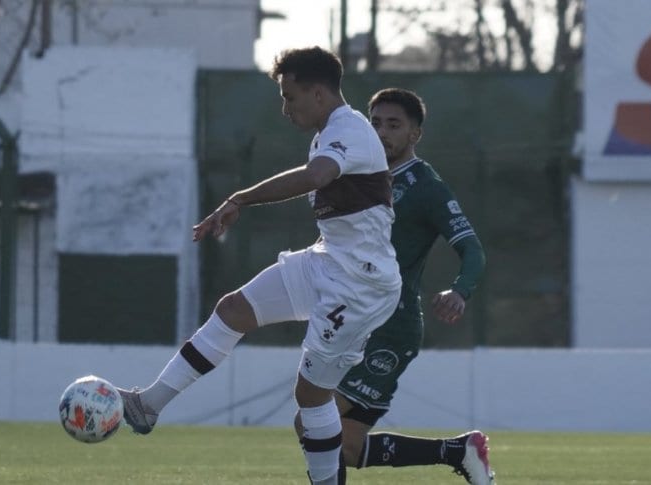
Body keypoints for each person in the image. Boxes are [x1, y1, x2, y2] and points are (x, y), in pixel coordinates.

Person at [118, 46, 402, 485]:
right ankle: (147, 405)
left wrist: (240, 198)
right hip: (329, 262)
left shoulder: (351, 131)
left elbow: (315, 176)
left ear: (320, 94)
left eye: (290, 96)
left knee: (311, 396)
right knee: (233, 310)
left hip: (359, 286)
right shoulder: (329, 132)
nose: (284, 107)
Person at [292, 87, 493, 484]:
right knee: (343, 444)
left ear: (415, 134)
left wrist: (459, 290)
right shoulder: (358, 173)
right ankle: (456, 451)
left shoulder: (425, 186)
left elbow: (473, 250)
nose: (382, 132)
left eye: (394, 125)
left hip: (391, 327)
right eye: (376, 123)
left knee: (312, 418)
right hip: (352, 318)